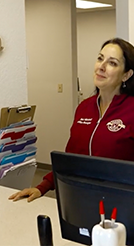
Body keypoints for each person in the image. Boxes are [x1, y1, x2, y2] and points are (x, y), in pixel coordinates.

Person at [9, 37, 134, 202]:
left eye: (112, 63)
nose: (101, 67)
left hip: (123, 203)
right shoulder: (84, 107)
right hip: (82, 199)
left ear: (126, 75)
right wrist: (42, 187)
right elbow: (71, 157)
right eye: (100, 58)